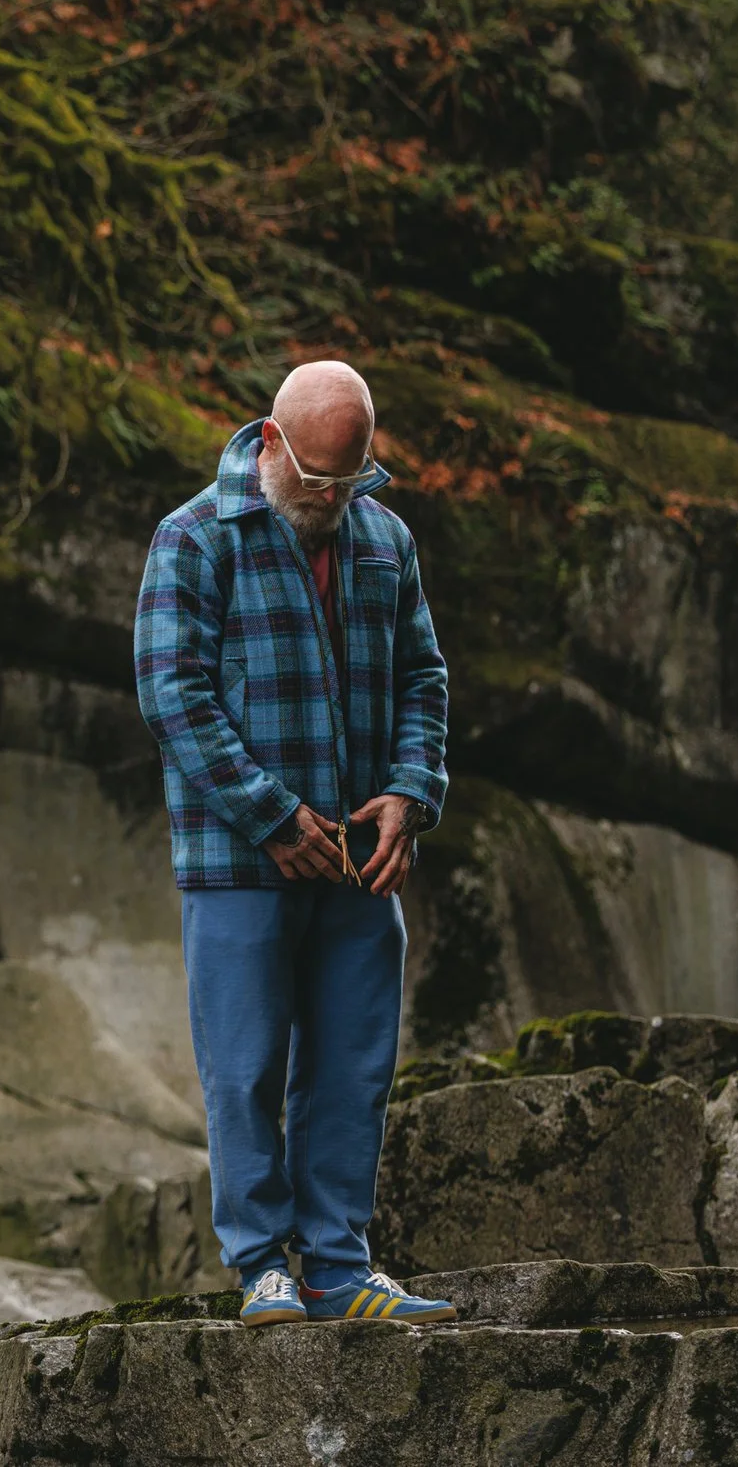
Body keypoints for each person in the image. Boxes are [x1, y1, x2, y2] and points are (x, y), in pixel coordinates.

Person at [131, 360, 456, 1326]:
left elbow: (424, 682)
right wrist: (271, 817)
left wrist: (410, 790)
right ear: (270, 442)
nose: (327, 502)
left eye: (346, 483)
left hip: (363, 864)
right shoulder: (193, 539)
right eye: (314, 480)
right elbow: (172, 699)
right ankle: (261, 1267)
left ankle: (338, 1268)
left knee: (354, 1065)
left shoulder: (386, 541)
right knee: (245, 1069)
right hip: (238, 861)